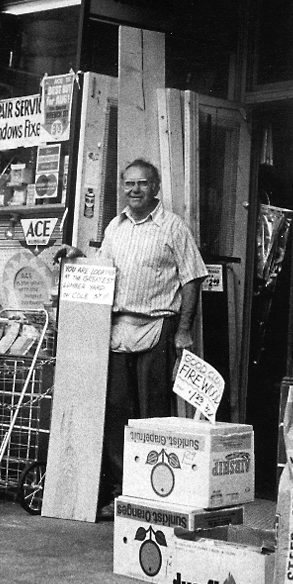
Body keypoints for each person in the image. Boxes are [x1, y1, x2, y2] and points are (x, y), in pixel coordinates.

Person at [93, 158, 208, 516]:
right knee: (117, 413)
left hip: (158, 327)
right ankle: (121, 492)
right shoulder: (115, 227)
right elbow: (100, 270)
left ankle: (154, 495)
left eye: (142, 183)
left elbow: (192, 279)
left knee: (153, 415)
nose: (135, 190)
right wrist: (77, 258)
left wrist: (184, 330)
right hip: (118, 329)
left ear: (156, 187)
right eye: (129, 183)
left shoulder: (173, 227)